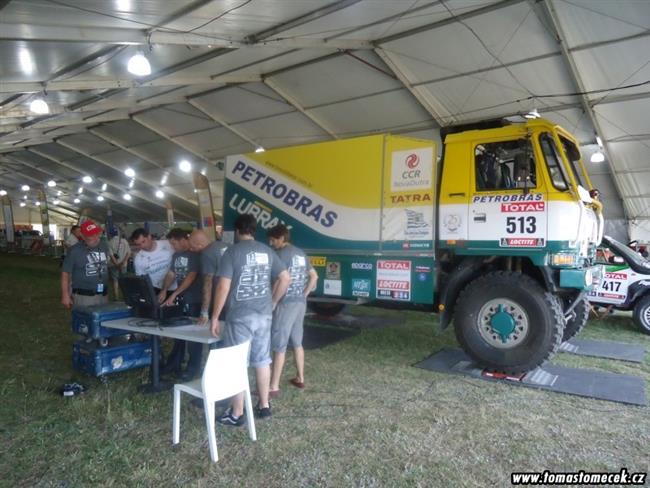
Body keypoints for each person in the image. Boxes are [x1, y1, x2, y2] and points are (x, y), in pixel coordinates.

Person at [210, 214, 290, 424]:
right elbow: (285, 277)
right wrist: (272, 302)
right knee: (262, 360)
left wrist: (215, 316)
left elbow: (223, 286)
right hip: (263, 315)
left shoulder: (232, 252)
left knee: (237, 362)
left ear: (237, 231)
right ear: (254, 230)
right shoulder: (267, 250)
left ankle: (237, 413)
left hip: (240, 316)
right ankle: (264, 405)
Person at [267, 224, 318, 396]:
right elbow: (314, 275)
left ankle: (273, 386)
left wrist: (273, 301)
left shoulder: (280, 254)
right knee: (297, 342)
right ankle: (300, 378)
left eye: (273, 240)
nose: (271, 243)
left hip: (285, 303)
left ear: (281, 238)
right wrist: (304, 294)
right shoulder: (301, 253)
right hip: (299, 303)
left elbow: (280, 280)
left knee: (279, 345)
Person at [158, 228, 203, 379]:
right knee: (179, 332)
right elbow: (171, 274)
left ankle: (193, 368)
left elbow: (191, 276)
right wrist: (165, 290)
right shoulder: (176, 255)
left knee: (193, 336)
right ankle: (175, 362)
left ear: (183, 240)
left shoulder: (195, 255)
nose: (173, 247)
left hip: (195, 299)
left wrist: (175, 293)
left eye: (174, 243)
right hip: (182, 298)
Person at [61, 220, 110, 309]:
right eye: (91, 236)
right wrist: (65, 295)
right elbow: (65, 273)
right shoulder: (74, 251)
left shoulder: (104, 246)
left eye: (96, 234)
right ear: (83, 236)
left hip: (103, 295)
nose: (96, 238)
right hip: (84, 297)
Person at [188, 229, 228, 326]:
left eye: (192, 247)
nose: (191, 250)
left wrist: (204, 311)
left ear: (200, 245)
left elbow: (208, 283)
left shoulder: (206, 253)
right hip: (235, 301)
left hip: (220, 301)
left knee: (217, 334)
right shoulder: (227, 245)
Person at [130, 228, 175, 293]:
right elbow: (142, 281)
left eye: (143, 241)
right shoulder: (139, 259)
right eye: (138, 244)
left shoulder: (168, 244)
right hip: (156, 290)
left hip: (177, 286)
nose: (142, 246)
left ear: (149, 237)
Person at [108, 229, 131, 300]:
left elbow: (111, 256)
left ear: (110, 234)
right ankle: (126, 295)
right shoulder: (124, 241)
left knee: (115, 280)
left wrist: (117, 264)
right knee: (124, 280)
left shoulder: (109, 242)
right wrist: (123, 262)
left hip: (113, 265)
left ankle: (116, 297)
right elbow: (128, 253)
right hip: (124, 265)